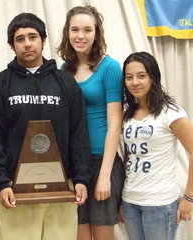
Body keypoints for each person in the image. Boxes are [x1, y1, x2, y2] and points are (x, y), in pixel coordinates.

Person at [0, 13, 91, 240]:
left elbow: (78, 133)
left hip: (62, 189)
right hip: (14, 191)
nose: (27, 43)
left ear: (43, 39)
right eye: (20, 39)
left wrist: (81, 179)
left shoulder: (66, 82)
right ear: (11, 45)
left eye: (32, 36)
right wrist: (1, 182)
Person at [56, 5, 125, 240]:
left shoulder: (110, 67)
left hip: (101, 161)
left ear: (97, 33)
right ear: (67, 33)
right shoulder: (63, 70)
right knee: (78, 234)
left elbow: (115, 123)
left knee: (103, 235)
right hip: (75, 165)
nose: (80, 36)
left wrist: (105, 174)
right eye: (75, 30)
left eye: (87, 30)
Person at [120, 51, 193, 240]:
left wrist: (189, 197)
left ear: (153, 77)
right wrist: (122, 199)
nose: (134, 82)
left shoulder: (171, 112)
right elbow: (130, 155)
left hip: (160, 203)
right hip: (130, 202)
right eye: (129, 77)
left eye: (141, 76)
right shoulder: (128, 114)